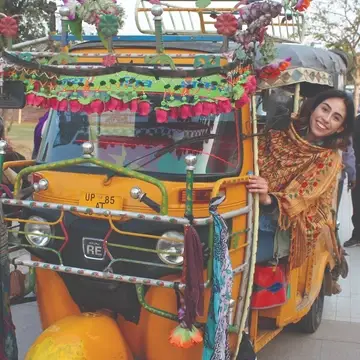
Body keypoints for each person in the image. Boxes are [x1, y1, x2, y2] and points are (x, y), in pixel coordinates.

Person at [247, 89, 354, 268]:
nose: (326, 119)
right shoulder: (281, 132)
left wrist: (268, 198)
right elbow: (252, 155)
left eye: (336, 118)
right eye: (325, 109)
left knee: (232, 260)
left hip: (278, 231)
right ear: (313, 108)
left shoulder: (328, 159)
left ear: (340, 127)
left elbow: (299, 199)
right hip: (244, 210)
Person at [344, 114, 360, 247]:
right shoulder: (355, 122)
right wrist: (352, 173)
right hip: (358, 167)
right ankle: (357, 235)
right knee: (357, 203)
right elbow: (350, 147)